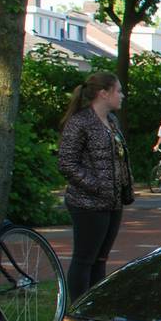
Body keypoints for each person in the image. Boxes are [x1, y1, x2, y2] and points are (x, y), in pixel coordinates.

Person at [58, 71, 132, 302]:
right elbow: (66, 163)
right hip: (87, 203)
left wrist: (122, 187)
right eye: (118, 91)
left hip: (112, 202)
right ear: (103, 93)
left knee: (101, 259)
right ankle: (78, 308)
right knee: (84, 259)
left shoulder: (112, 122)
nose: (122, 95)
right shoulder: (80, 122)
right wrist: (97, 185)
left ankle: (95, 306)